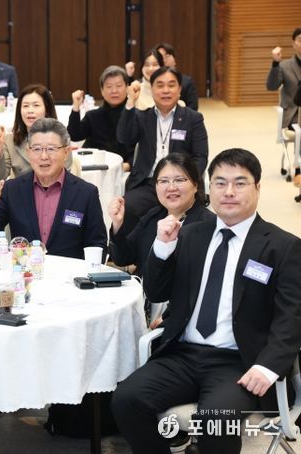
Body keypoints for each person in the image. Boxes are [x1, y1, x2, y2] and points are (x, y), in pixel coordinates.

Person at [111, 148, 301, 454]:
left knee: (216, 420)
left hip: (238, 361)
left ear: (258, 188)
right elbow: (157, 293)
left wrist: (267, 367)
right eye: (220, 183)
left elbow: (291, 318)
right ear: (210, 187)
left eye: (240, 183)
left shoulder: (283, 247)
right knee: (126, 399)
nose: (229, 192)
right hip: (183, 355)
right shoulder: (191, 235)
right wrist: (163, 247)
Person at [0, 117, 107, 259]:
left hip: (68, 271)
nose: (44, 156)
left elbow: (97, 245)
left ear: (66, 152)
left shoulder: (86, 193)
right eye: (37, 149)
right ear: (28, 152)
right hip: (25, 270)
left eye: (51, 149)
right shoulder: (13, 189)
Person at [117, 66, 208, 230]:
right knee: (127, 207)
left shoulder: (193, 118)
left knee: (192, 219)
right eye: (160, 85)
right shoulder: (142, 117)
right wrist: (130, 103)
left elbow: (200, 156)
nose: (166, 90)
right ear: (151, 89)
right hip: (148, 183)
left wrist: (187, 180)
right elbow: (124, 137)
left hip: (182, 183)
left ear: (179, 90)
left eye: (171, 85)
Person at [108, 153, 214, 280]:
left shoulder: (208, 225)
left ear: (195, 185)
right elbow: (122, 258)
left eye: (179, 180)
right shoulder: (153, 216)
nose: (171, 188)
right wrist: (117, 225)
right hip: (142, 290)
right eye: (163, 181)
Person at [0, 83, 71, 179]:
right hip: (22, 188)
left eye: (36, 105)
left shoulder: (60, 137)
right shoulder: (10, 140)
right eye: (25, 106)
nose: (30, 110)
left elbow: (65, 176)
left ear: (47, 110)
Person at [68, 65, 135, 171]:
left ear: (127, 88)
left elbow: (141, 149)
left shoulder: (135, 116)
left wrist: (129, 165)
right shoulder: (93, 116)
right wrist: (76, 107)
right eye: (109, 86)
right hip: (93, 168)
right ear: (102, 91)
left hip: (124, 170)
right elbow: (74, 135)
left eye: (119, 86)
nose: (114, 91)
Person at [266, 27, 301, 187]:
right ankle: (299, 168)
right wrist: (275, 63)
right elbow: (272, 86)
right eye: (300, 40)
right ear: (294, 44)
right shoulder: (285, 66)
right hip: (293, 115)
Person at [154, 42, 198, 111]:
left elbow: (193, 108)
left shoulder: (186, 82)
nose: (164, 59)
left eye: (167, 55)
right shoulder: (149, 82)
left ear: (174, 59)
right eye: (160, 57)